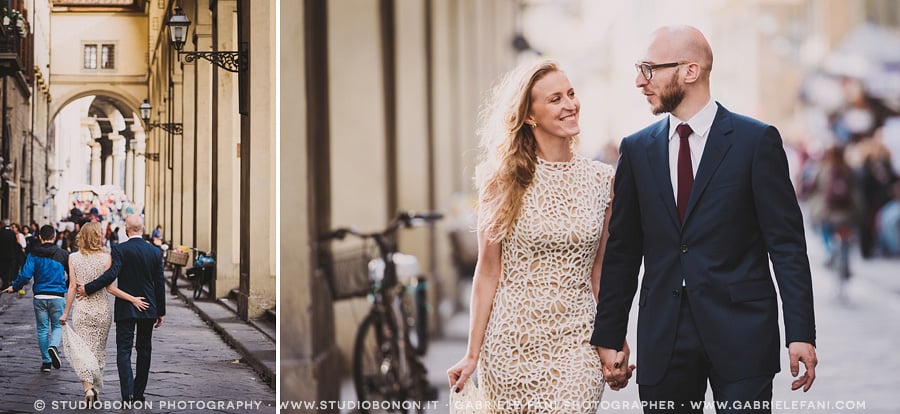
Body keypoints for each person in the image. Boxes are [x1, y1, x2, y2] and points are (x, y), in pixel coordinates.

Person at [592, 25, 818, 413]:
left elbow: (786, 245)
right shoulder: (636, 150)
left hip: (744, 335)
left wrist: (800, 333)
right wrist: (610, 334)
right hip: (664, 338)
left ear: (689, 71)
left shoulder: (756, 141)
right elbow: (623, 252)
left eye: (649, 69)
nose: (639, 81)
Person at [447, 59, 629, 412]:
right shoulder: (501, 181)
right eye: (555, 99)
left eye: (571, 94)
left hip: (577, 343)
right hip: (510, 345)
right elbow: (487, 272)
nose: (570, 105)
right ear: (529, 116)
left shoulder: (602, 180)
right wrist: (472, 354)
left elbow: (600, 272)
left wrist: (614, 338)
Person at [76, 215, 165, 402]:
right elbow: (159, 284)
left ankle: (128, 393)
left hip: (126, 308)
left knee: (124, 351)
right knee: (144, 350)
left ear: (126, 229)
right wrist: (160, 311)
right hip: (148, 307)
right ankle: (139, 393)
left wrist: (87, 288)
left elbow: (110, 275)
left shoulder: (120, 250)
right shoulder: (155, 252)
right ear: (142, 228)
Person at [60, 222, 149, 403]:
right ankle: (94, 389)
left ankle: (88, 389)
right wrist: (132, 299)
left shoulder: (73, 258)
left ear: (82, 236)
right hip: (102, 310)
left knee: (83, 351)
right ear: (97, 236)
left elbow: (71, 287)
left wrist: (65, 312)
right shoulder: (106, 258)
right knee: (98, 351)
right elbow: (109, 288)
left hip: (82, 310)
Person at [2, 225, 69, 372]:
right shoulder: (63, 254)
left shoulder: (33, 254)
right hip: (57, 295)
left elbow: (25, 275)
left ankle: (46, 362)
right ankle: (53, 346)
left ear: (40, 237)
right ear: (54, 236)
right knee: (58, 325)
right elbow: (72, 275)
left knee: (42, 329)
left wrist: (15, 287)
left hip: (39, 296)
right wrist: (66, 286)